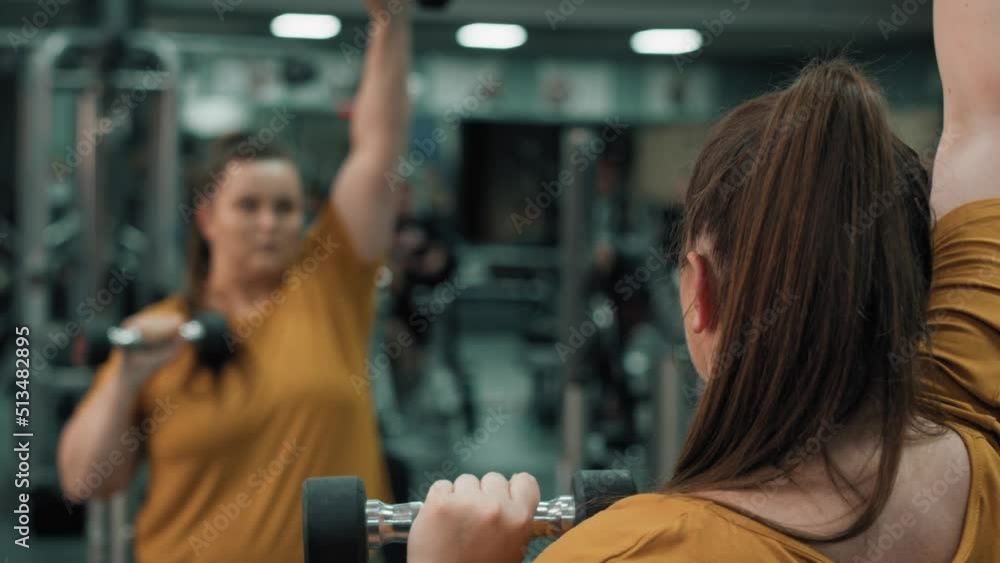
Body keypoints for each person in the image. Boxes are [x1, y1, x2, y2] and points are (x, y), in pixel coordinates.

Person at [405, 1, 1000, 562]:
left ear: (701, 290)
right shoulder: (977, 418)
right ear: (924, 281)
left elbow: (983, 115)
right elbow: (984, 122)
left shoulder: (630, 551)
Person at [56, 1, 410, 561]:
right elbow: (85, 481)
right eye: (249, 206)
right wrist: (126, 378)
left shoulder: (331, 288)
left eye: (286, 208)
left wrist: (392, 19)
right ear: (207, 218)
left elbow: (377, 149)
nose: (269, 222)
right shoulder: (160, 331)